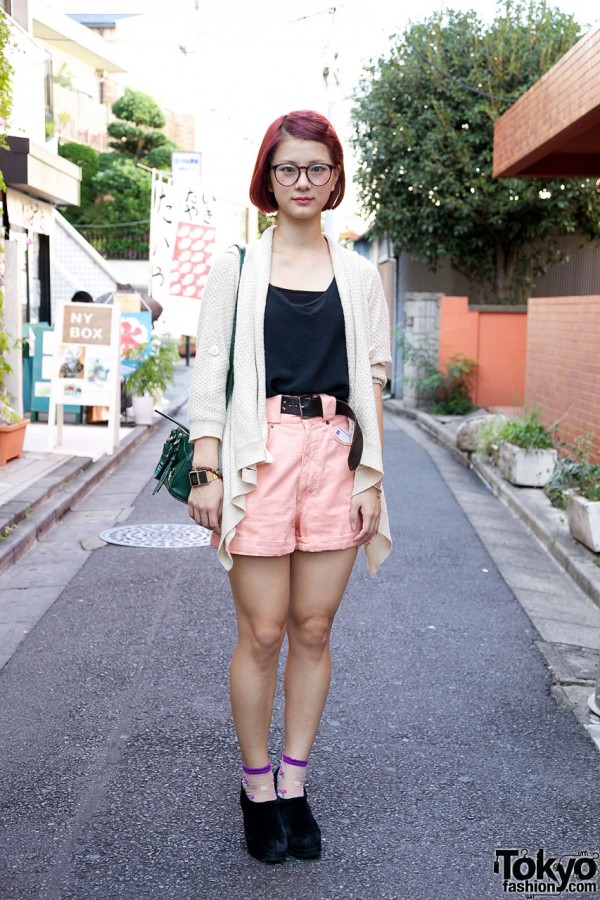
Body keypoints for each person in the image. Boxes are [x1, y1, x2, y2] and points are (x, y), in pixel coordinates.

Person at [187, 110, 392, 864]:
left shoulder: (361, 274)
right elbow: (210, 376)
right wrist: (207, 467)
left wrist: (374, 479)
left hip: (336, 456)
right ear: (267, 179)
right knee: (263, 632)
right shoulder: (237, 268)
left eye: (317, 168)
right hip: (260, 454)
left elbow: (371, 382)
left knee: (313, 629)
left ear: (335, 178)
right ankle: (256, 788)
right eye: (288, 169)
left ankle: (295, 781)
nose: (303, 181)